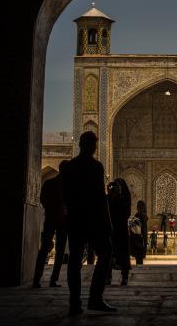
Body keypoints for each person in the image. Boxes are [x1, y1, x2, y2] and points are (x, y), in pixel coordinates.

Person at [61, 131, 116, 315]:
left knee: (75, 261)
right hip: (93, 220)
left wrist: (68, 215)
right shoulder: (96, 166)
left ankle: (75, 303)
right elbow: (100, 198)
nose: (94, 147)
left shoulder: (69, 167)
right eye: (94, 144)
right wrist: (107, 222)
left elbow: (65, 195)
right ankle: (95, 298)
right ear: (90, 146)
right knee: (106, 253)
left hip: (75, 219)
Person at [32, 160, 68, 288]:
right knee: (59, 251)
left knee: (44, 249)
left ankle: (36, 279)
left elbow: (43, 199)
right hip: (63, 222)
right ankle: (53, 280)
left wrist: (50, 210)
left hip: (50, 219)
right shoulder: (68, 186)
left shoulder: (49, 183)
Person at [106, 179, 132, 286]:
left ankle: (124, 277)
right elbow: (107, 209)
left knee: (124, 254)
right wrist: (109, 192)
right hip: (111, 229)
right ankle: (108, 277)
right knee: (108, 254)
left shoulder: (125, 197)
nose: (116, 188)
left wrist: (120, 195)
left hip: (121, 229)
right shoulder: (110, 197)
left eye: (118, 186)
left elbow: (126, 213)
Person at [130, 200, 148, 266]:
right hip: (142, 238)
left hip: (138, 238)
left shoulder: (138, 215)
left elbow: (134, 226)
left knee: (138, 256)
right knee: (140, 258)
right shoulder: (145, 216)